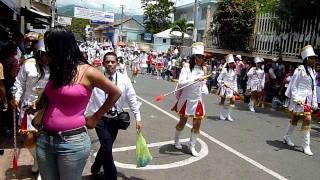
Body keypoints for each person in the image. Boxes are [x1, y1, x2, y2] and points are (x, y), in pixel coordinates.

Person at [36, 26, 121, 180]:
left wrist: (95, 117)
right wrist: (38, 105)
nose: (47, 51)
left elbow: (115, 93)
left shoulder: (87, 71)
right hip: (45, 139)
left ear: (61, 47)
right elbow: (55, 97)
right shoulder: (57, 68)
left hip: (72, 143)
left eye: (50, 47)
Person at [86, 52, 142, 180]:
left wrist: (138, 118)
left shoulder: (124, 80)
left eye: (113, 62)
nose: (110, 64)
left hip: (115, 120)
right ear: (103, 63)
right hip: (99, 118)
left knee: (107, 146)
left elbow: (132, 99)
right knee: (107, 146)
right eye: (107, 62)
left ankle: (95, 167)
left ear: (117, 63)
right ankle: (111, 176)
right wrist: (83, 115)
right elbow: (88, 99)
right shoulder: (96, 78)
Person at [12, 35, 49, 178]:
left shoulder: (56, 66)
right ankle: (38, 160)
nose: (46, 57)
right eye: (44, 54)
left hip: (46, 108)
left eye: (49, 54)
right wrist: (15, 97)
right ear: (39, 52)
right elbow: (19, 83)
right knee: (28, 139)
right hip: (28, 107)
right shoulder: (28, 64)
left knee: (44, 139)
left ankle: (43, 166)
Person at [172, 42, 208, 157]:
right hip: (187, 100)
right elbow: (181, 82)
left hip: (197, 100)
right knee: (182, 121)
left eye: (202, 57)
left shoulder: (203, 69)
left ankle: (192, 146)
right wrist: (194, 79)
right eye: (199, 56)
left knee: (197, 124)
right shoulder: (186, 67)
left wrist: (204, 87)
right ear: (194, 57)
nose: (201, 59)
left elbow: (203, 83)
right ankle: (176, 140)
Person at [283, 45, 318, 156]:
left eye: (314, 58)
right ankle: (305, 146)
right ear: (307, 58)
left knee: (296, 119)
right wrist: (296, 99)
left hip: (308, 100)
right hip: (299, 99)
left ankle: (286, 137)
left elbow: (313, 88)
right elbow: (293, 86)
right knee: (306, 119)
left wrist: (314, 102)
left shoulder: (312, 71)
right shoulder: (300, 70)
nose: (314, 60)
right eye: (312, 58)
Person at [217, 54, 238, 121]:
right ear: (228, 64)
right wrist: (223, 84)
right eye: (230, 63)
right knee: (222, 100)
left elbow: (235, 81)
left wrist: (235, 89)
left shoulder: (234, 71)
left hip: (231, 88)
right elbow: (218, 79)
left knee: (233, 100)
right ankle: (221, 115)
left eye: (232, 63)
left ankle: (228, 115)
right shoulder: (224, 70)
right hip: (224, 88)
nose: (231, 64)